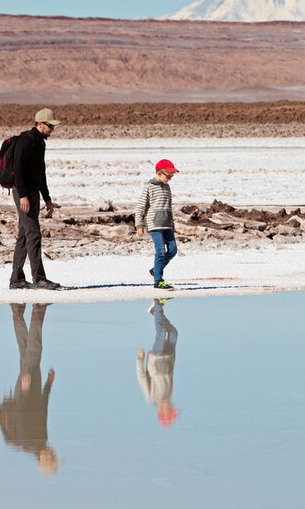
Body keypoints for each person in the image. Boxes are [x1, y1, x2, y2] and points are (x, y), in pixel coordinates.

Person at [0, 303, 60, 476]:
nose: (54, 453)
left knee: (34, 350)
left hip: (26, 391)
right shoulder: (35, 443)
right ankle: (17, 311)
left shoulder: (34, 442)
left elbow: (22, 416)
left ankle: (38, 309)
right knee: (26, 349)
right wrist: (48, 384)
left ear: (44, 459)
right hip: (31, 389)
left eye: (52, 458)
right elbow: (43, 410)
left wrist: (25, 391)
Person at [9, 108, 61, 290]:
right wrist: (23, 195)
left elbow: (41, 173)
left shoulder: (40, 143)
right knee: (33, 234)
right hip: (23, 193)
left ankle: (16, 280)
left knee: (24, 235)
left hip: (33, 192)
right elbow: (17, 170)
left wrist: (47, 198)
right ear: (39, 124)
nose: (52, 130)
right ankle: (39, 278)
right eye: (50, 126)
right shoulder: (25, 142)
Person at [135, 158, 179, 291]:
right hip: (154, 225)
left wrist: (172, 224)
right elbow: (140, 207)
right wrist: (139, 225)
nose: (170, 178)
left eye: (172, 176)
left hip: (167, 224)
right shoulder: (149, 186)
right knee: (160, 252)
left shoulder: (167, 187)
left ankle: (156, 270)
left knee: (172, 250)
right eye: (168, 175)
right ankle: (158, 281)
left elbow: (169, 206)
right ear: (159, 173)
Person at [136, 298, 179, 428]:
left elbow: (142, 378)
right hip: (168, 357)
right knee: (173, 333)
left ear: (162, 411)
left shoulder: (152, 398)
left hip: (157, 359)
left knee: (161, 332)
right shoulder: (169, 396)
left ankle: (158, 304)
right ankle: (156, 311)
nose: (172, 406)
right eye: (172, 409)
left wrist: (139, 359)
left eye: (170, 410)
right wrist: (173, 354)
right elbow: (171, 375)